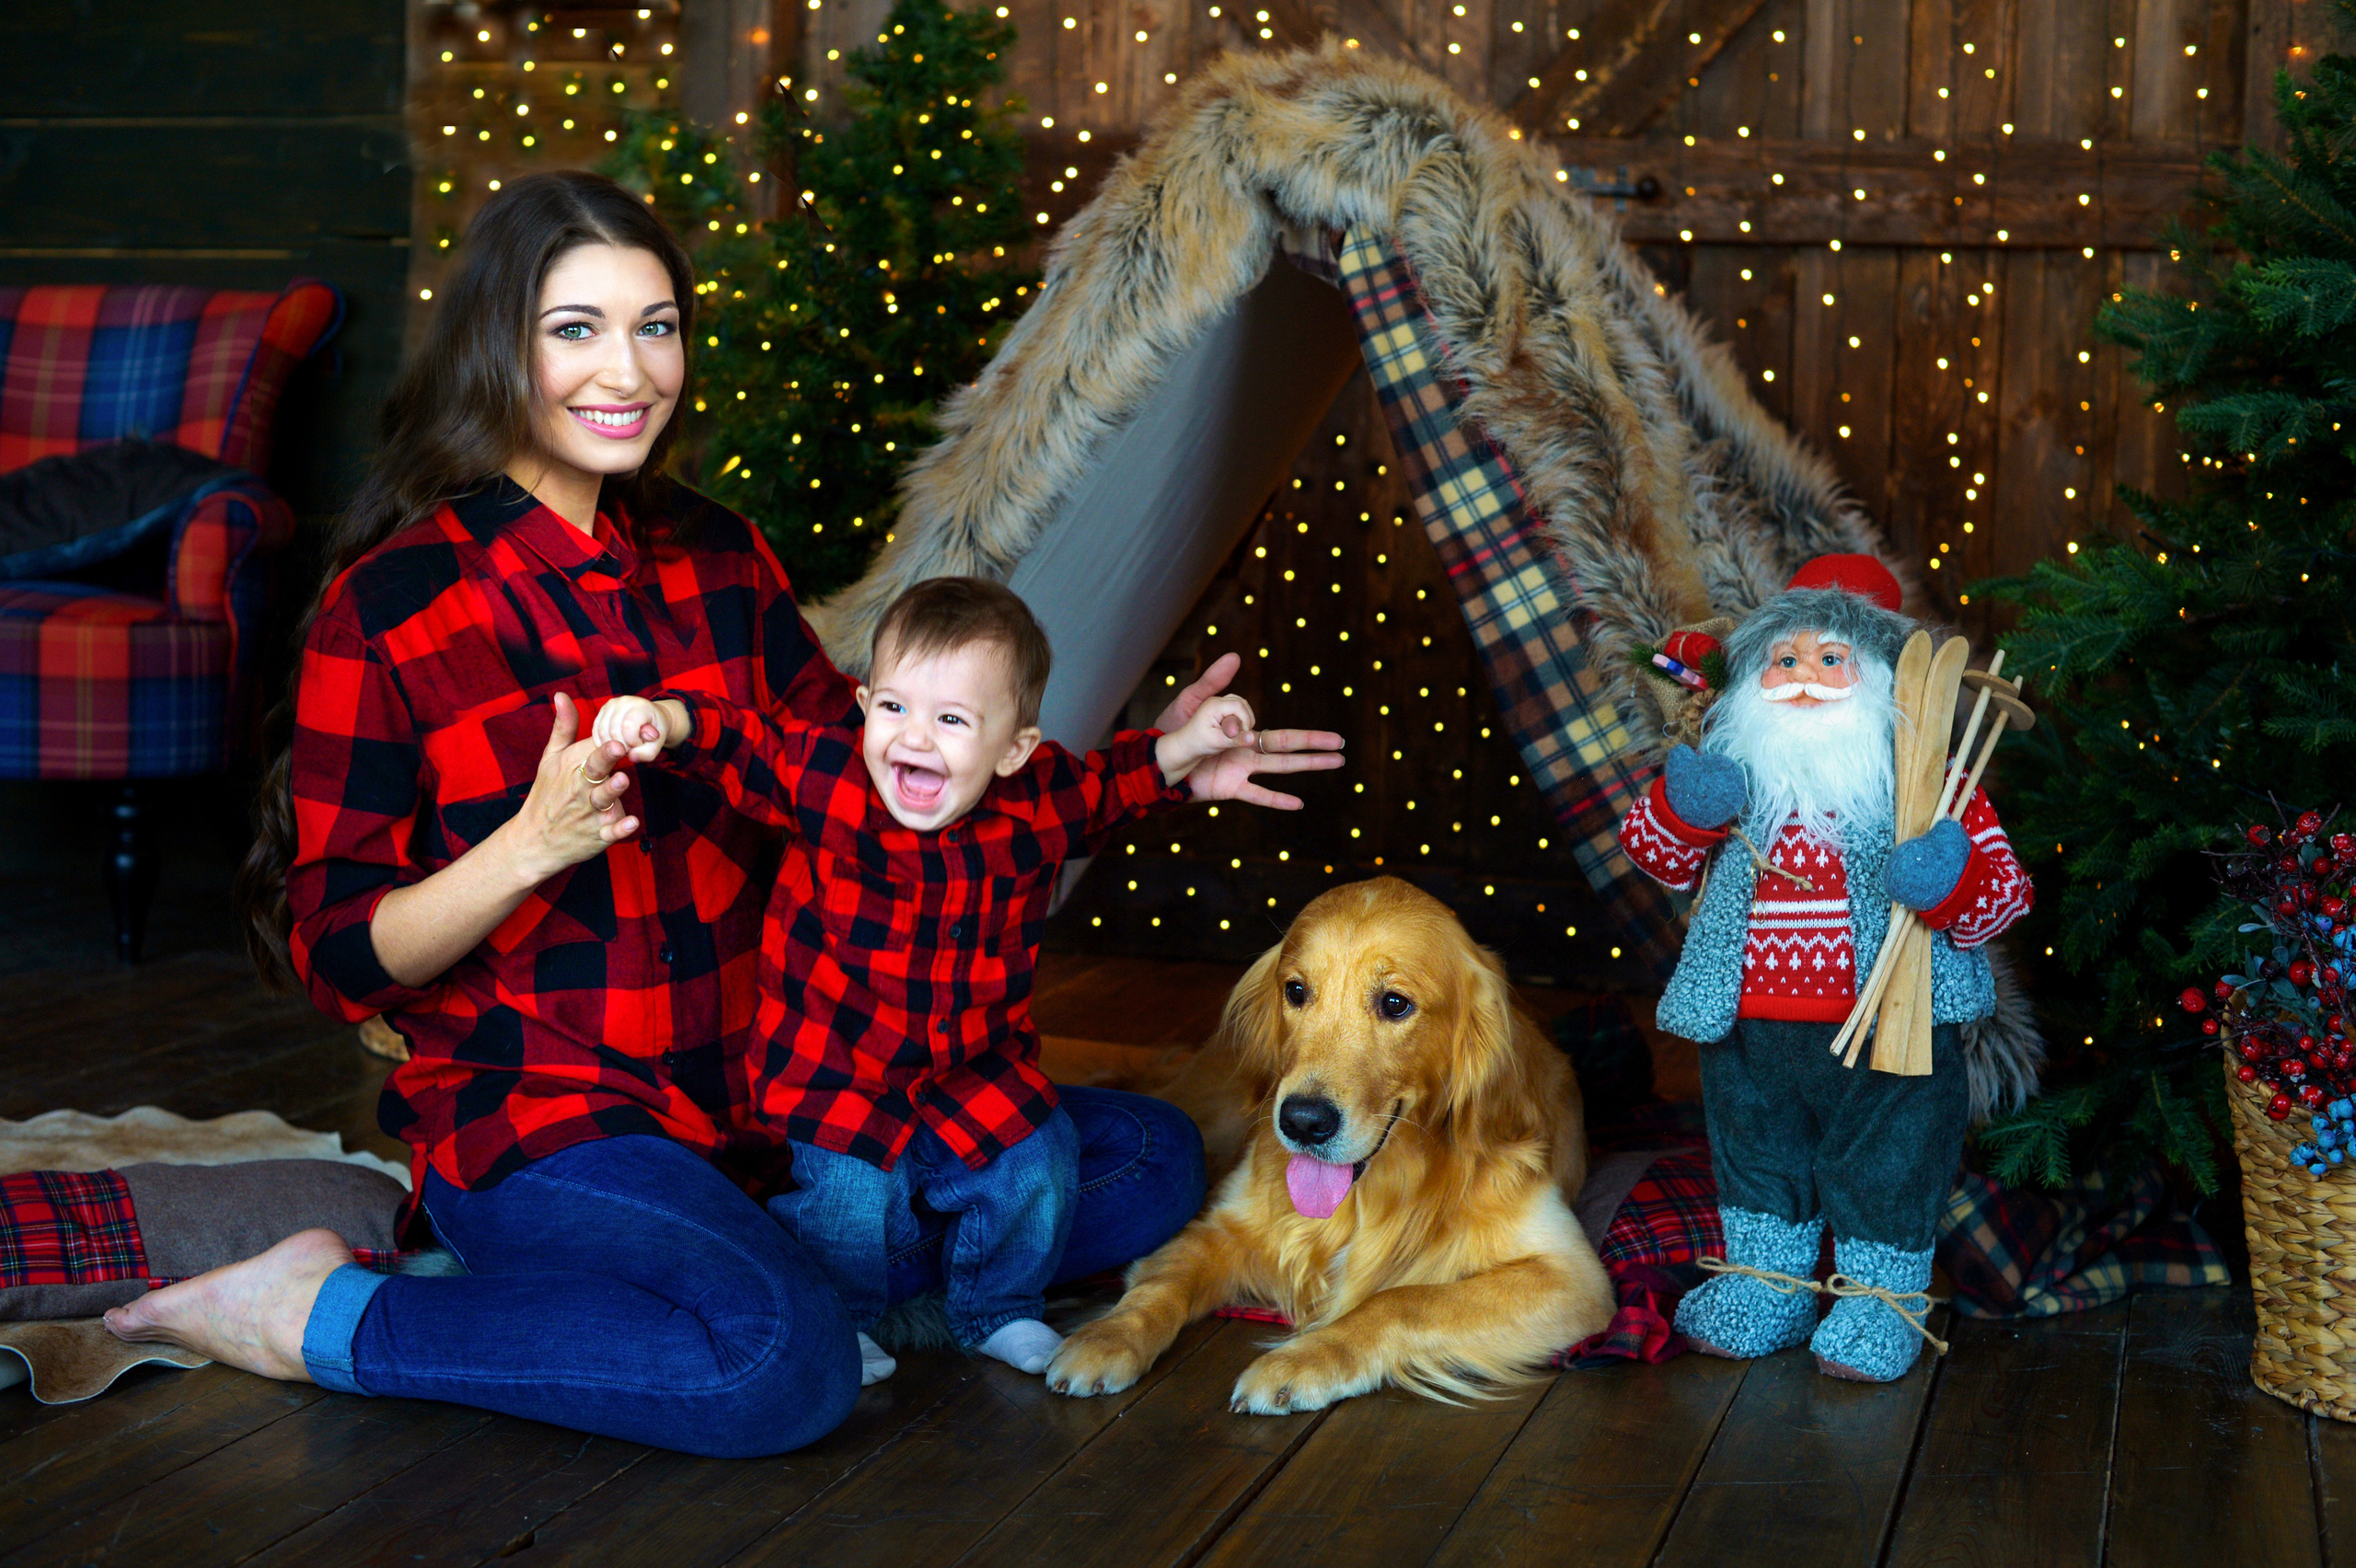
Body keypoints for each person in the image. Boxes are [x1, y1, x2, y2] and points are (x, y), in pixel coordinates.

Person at [101, 171, 1345, 1458]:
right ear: (498, 346)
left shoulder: (721, 556)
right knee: (776, 1366)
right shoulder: (398, 604)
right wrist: (532, 845)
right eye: (575, 329)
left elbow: (882, 791)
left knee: (1147, 1158)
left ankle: (712, 1288)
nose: (628, 369)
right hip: (553, 1120)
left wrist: (1159, 763)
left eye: (656, 326)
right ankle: (326, 1314)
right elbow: (341, 955)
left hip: (779, 1105)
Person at [596, 577, 1334, 1383]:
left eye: (951, 720)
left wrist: (1186, 749)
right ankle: (843, 1318)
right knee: (843, 1203)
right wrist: (668, 721)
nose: (914, 739)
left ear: (1013, 749)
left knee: (1039, 1161)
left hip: (971, 1069)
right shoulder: (828, 777)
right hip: (836, 1069)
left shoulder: (1033, 801)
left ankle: (996, 1309)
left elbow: (1109, 787)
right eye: (893, 709)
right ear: (863, 702)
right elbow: (746, 745)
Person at [1616, 554, 2032, 1383]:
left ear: (1879, 680)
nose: (1804, 676)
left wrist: (1950, 882)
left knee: (1887, 1162)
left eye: (1831, 659)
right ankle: (1769, 1288)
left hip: (1892, 1031)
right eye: (1785, 659)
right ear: (1752, 681)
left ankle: (1881, 1304)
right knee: (1757, 1155)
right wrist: (1682, 809)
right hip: (1746, 1027)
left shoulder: (1932, 789)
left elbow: (2003, 901)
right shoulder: (1737, 775)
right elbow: (1657, 860)